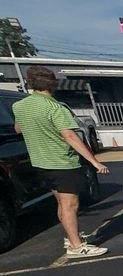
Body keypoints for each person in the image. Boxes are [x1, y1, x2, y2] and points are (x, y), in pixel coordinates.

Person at [13, 66, 110, 258]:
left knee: (61, 203)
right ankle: (76, 246)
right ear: (53, 84)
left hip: (40, 162)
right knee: (70, 204)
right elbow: (70, 136)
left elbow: (18, 129)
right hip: (62, 162)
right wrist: (94, 162)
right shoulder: (55, 108)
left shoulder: (20, 106)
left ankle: (71, 237)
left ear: (31, 83)